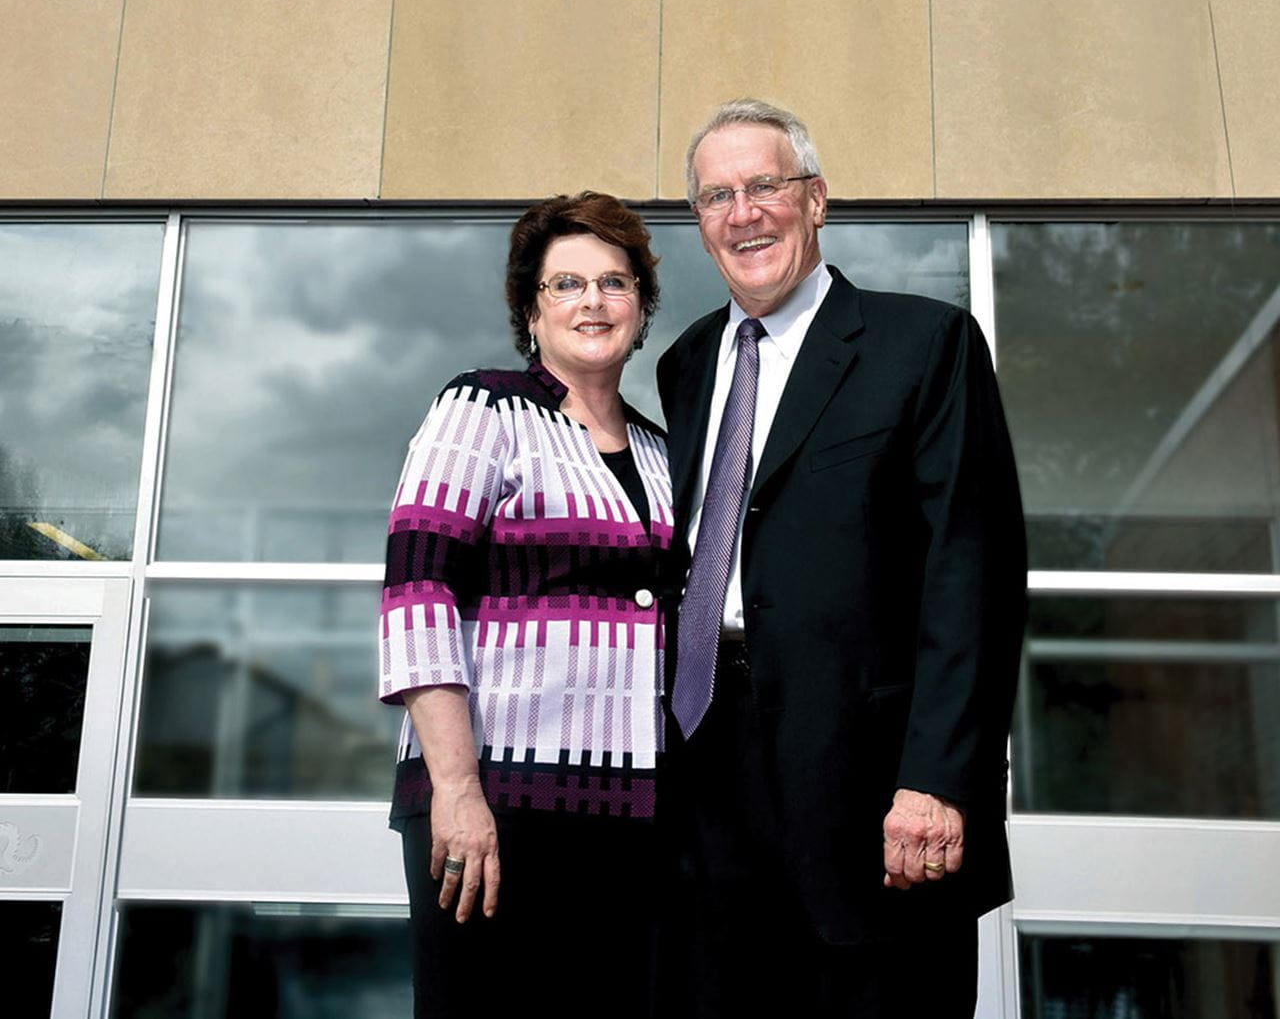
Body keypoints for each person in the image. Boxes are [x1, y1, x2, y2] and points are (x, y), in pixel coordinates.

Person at [657, 99, 1026, 1019]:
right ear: (699, 223)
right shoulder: (688, 363)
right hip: (707, 772)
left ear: (815, 200)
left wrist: (939, 780)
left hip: (871, 792)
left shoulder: (924, 345)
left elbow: (972, 578)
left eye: (764, 186)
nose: (742, 212)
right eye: (716, 196)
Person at [379, 193, 672, 1019]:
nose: (593, 302)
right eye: (566, 284)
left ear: (642, 308)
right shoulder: (482, 408)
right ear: (530, 310)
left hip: (635, 820)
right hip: (500, 808)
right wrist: (458, 792)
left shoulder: (663, 451)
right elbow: (417, 595)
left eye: (615, 283)